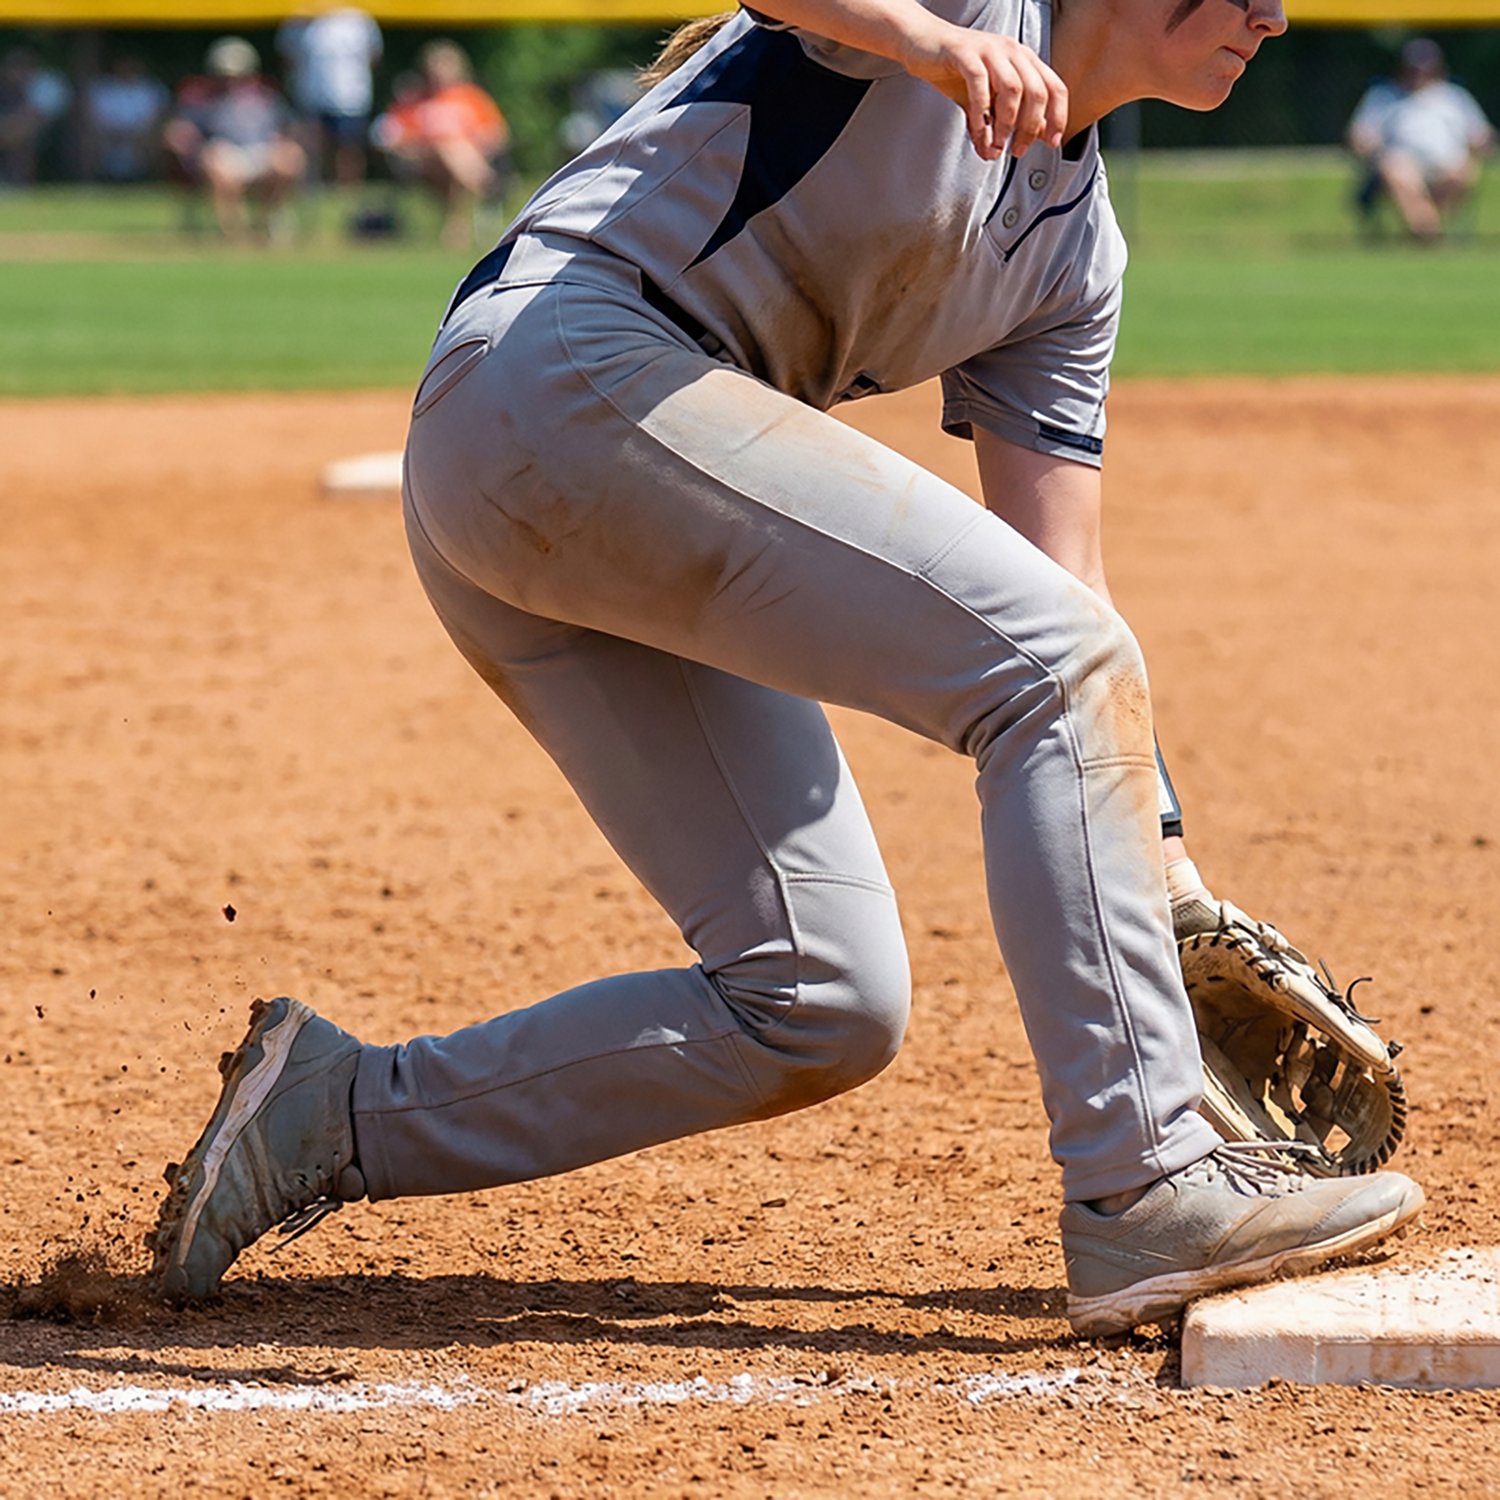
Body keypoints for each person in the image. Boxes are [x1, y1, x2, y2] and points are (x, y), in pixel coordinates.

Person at [153, 0, 1425, 1338]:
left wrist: (1159, 869)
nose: (1272, 16)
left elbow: (1069, 593)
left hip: (594, 484)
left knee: (821, 996)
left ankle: (327, 1115)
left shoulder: (1075, 252)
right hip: (561, 381)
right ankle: (1148, 1180)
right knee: (1050, 672)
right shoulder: (970, 13)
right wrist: (928, 45)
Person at [1347, 37, 1495, 241]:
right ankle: (1429, 232)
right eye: (1413, 68)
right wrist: (1368, 147)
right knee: (1395, 168)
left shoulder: (1454, 96)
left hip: (1446, 165)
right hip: (1402, 165)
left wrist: (1483, 143)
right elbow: (1360, 133)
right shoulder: (1383, 95)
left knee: (1465, 170)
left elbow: (1480, 133)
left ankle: (1424, 231)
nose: (1419, 74)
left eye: (1425, 68)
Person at [163, 37, 306, 242]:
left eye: (238, 74)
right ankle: (234, 232)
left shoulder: (266, 97)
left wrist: (285, 141)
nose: (231, 80)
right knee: (215, 160)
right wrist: (182, 138)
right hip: (224, 153)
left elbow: (290, 127)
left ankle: (269, 218)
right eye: (225, 74)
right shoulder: (201, 99)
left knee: (291, 157)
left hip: (262, 151)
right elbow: (180, 130)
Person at [370, 39, 508, 247]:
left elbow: (497, 135)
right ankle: (487, 187)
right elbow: (387, 136)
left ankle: (456, 225)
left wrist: (473, 143)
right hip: (422, 164)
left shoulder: (472, 98)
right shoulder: (413, 100)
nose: (440, 73)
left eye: (446, 66)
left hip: (463, 161)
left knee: (452, 151)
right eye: (435, 67)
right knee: (445, 147)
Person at [276, 6, 383, 187]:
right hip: (310, 97)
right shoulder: (297, 19)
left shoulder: (358, 17)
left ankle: (348, 191)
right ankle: (314, 190)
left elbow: (374, 54)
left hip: (351, 97)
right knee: (312, 148)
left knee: (349, 148)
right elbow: (287, 56)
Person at [83, 53, 169, 182]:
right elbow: (93, 118)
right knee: (87, 139)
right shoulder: (102, 88)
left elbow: (158, 117)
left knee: (157, 138)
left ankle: (149, 181)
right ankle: (91, 182)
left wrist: (135, 134)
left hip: (141, 135)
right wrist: (114, 134)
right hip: (107, 135)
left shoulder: (151, 89)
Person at [0, 46, 71, 187]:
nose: (15, 72)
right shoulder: (8, 89)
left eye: (20, 67)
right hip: (13, 130)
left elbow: (35, 117)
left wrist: (6, 128)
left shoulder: (46, 84)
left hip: (54, 132)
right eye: (12, 67)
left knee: (24, 133)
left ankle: (20, 182)